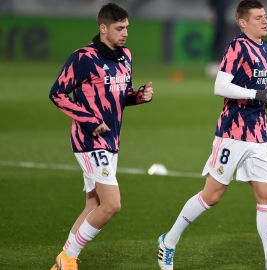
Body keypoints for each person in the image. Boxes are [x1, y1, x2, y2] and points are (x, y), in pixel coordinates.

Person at [156, 1, 267, 270]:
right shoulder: (237, 46)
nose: (265, 21)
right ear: (243, 22)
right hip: (232, 132)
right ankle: (168, 241)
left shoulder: (266, 48)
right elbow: (220, 85)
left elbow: (254, 82)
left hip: (259, 134)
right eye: (258, 18)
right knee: (212, 195)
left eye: (265, 16)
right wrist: (256, 94)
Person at [49, 3, 153, 269]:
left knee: (93, 204)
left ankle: (63, 260)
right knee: (111, 204)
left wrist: (139, 96)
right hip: (89, 141)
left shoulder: (125, 55)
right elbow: (57, 94)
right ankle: (67, 258)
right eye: (119, 28)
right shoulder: (83, 58)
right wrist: (89, 120)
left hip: (111, 140)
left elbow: (120, 95)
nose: (125, 33)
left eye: (127, 27)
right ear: (103, 28)